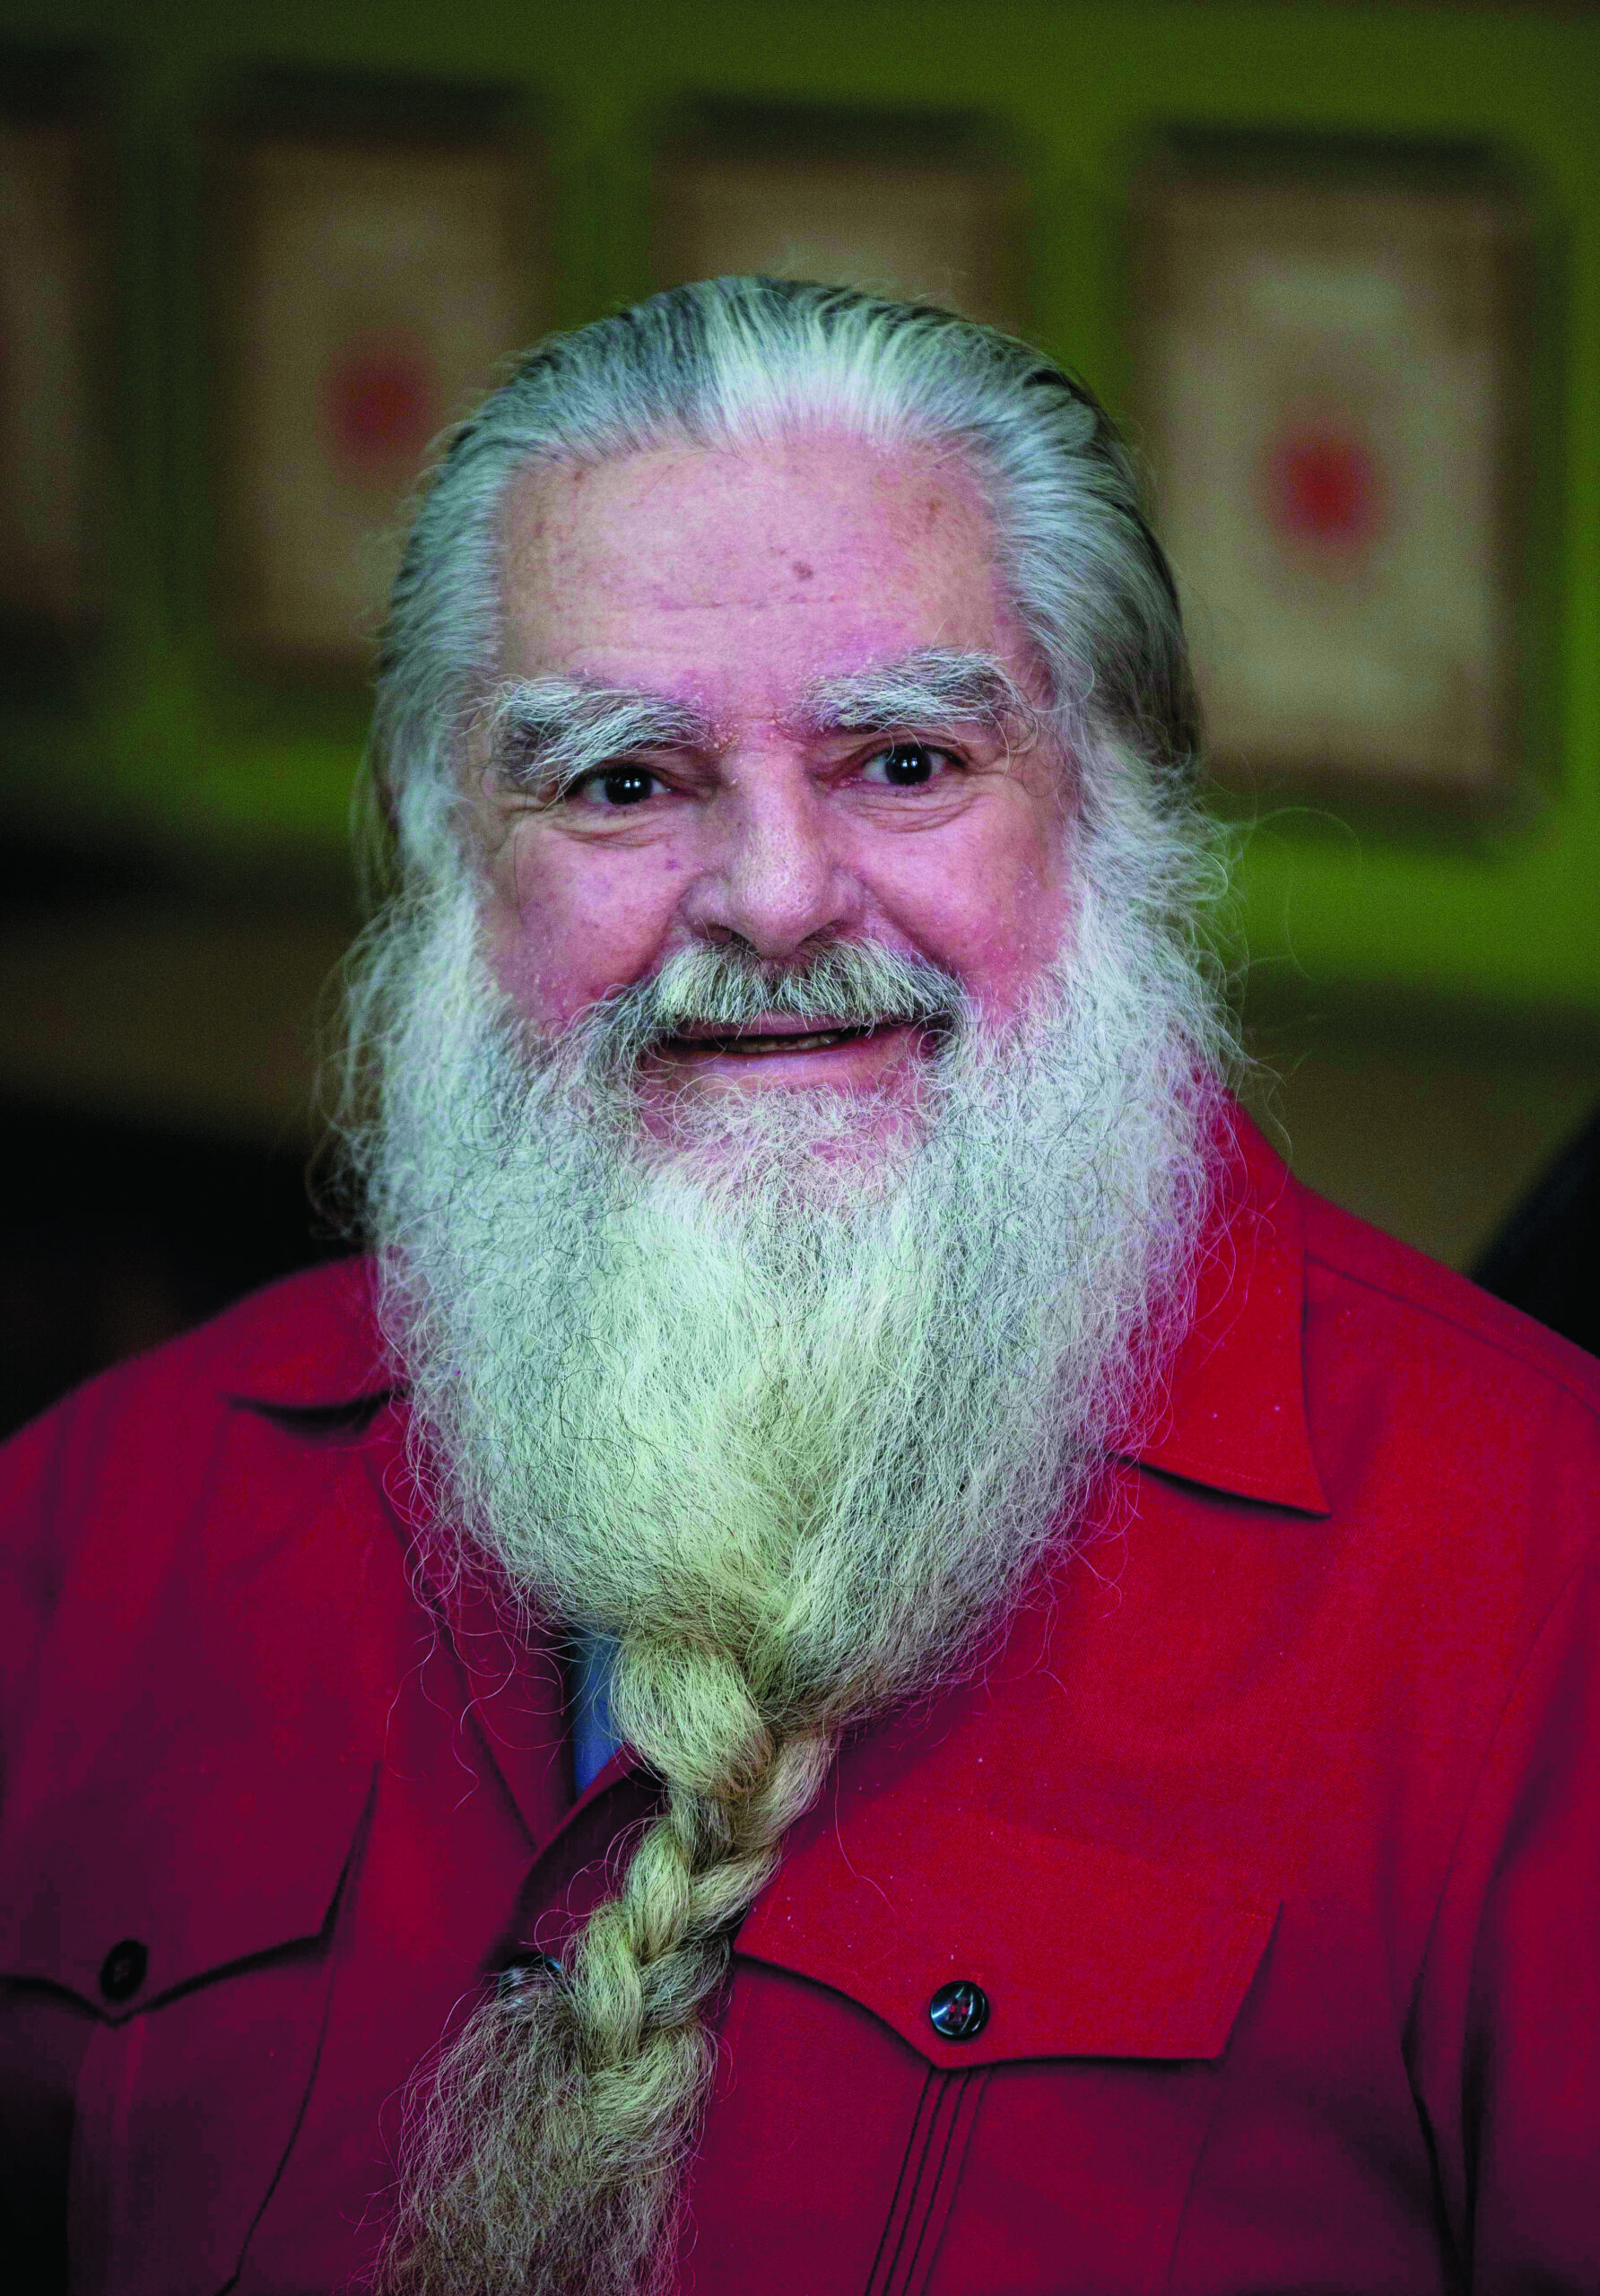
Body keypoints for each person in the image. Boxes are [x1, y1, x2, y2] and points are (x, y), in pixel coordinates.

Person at [2, 278, 1597, 2296]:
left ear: (1117, 815)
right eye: (620, 782)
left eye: (906, 760)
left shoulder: (1533, 1570)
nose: (770, 897)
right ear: (447, 854)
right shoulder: (99, 1521)